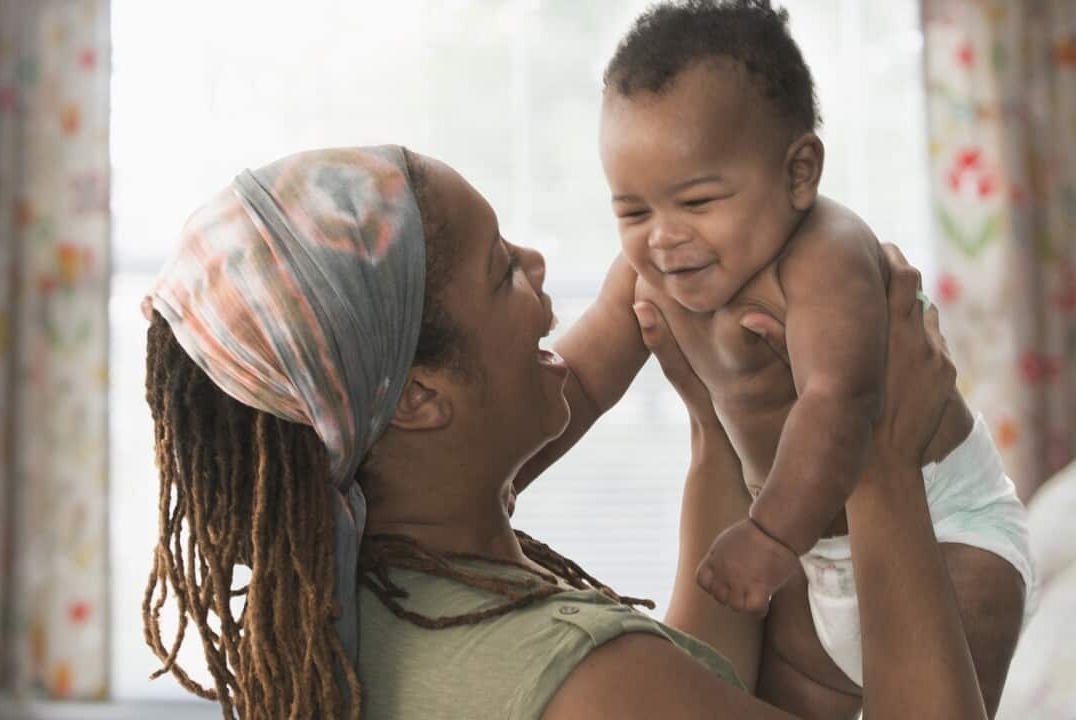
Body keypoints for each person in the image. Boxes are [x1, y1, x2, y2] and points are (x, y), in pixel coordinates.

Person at [139, 144, 986, 719]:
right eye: (503, 270)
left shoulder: (360, 594)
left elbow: (694, 678)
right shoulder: (591, 680)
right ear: (418, 399)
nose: (538, 265)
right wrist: (877, 458)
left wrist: (716, 429)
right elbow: (641, 688)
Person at [594, 1, 1036, 714]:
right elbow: (580, 377)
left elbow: (841, 401)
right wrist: (508, 464)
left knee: (951, 676)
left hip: (943, 526)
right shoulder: (653, 272)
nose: (663, 238)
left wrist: (767, 536)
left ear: (799, 172)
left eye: (698, 201)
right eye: (633, 212)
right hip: (808, 555)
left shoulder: (826, 256)